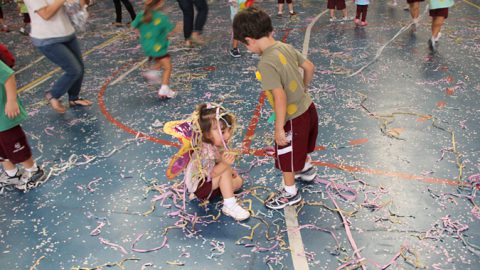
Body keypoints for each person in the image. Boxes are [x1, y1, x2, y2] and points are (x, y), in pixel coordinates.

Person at [233, 7, 318, 210]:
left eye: (246, 45)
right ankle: (306, 168)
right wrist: (304, 87)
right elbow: (309, 67)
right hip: (307, 108)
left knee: (286, 154)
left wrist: (279, 128)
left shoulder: (266, 63)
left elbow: (279, 97)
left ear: (250, 40)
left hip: (292, 117)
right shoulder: (284, 46)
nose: (248, 49)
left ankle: (290, 192)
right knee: (303, 143)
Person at [23, 0, 93, 114]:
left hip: (67, 33)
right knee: (74, 70)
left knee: (80, 68)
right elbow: (45, 14)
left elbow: (80, 5)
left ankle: (74, 98)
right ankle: (53, 94)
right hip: (47, 38)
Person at [183, 104, 250, 221]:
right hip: (201, 187)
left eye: (229, 130)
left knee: (238, 182)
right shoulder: (204, 151)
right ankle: (229, 205)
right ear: (208, 134)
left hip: (210, 183)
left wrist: (228, 168)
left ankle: (225, 190)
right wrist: (225, 165)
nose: (228, 135)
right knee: (225, 170)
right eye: (223, 132)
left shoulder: (213, 143)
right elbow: (211, 175)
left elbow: (217, 159)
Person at [0, 46, 46, 192]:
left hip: (4, 117)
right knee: (1, 151)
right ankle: (11, 174)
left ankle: (33, 170)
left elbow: (8, 76)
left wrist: (12, 100)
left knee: (14, 145)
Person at [132, 0, 176, 98]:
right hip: (158, 47)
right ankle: (164, 89)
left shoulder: (141, 15)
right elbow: (171, 30)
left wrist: (143, 35)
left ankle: (152, 72)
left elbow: (134, 27)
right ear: (160, 3)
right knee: (167, 66)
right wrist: (179, 28)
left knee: (160, 59)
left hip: (147, 46)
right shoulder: (161, 17)